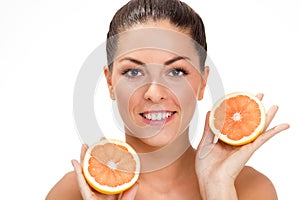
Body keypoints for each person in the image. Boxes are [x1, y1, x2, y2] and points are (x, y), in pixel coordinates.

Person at [46, 0, 290, 199]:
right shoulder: (73, 193)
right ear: (110, 83)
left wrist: (218, 190)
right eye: (133, 72)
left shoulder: (249, 189)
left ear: (203, 83)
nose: (154, 92)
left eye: (176, 72)